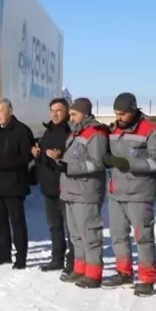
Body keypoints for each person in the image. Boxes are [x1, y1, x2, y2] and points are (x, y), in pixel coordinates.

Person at [103, 92, 156, 294]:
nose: (118, 117)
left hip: (139, 193)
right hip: (117, 191)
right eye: (116, 113)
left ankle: (147, 278)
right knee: (118, 235)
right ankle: (124, 272)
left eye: (122, 114)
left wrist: (130, 164)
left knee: (143, 237)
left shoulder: (150, 130)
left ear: (132, 111)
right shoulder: (114, 130)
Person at [51, 97, 109, 287]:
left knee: (89, 235)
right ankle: (80, 269)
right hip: (70, 192)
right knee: (75, 235)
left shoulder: (95, 133)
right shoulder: (76, 132)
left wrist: (69, 167)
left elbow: (98, 162)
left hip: (86, 192)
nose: (71, 117)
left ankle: (93, 274)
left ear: (84, 113)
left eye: (74, 114)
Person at [0, 98, 35, 268]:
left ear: (10, 111)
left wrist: (2, 163)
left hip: (14, 184)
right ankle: (4, 253)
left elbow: (26, 157)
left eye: (0, 111)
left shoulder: (22, 130)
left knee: (17, 222)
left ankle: (21, 257)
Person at [31, 97, 72, 273]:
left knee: (71, 228)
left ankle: (73, 263)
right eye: (52, 111)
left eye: (59, 111)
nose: (55, 114)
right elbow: (42, 159)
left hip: (66, 185)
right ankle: (57, 259)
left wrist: (59, 156)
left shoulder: (71, 132)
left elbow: (74, 159)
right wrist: (36, 153)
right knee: (54, 226)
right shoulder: (47, 131)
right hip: (49, 186)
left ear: (66, 112)